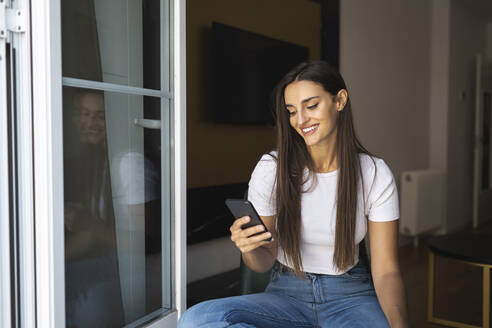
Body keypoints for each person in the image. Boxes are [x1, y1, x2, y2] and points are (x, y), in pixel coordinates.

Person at [178, 61, 409, 328]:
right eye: (291, 111)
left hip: (351, 295)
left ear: (340, 100)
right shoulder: (271, 169)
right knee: (197, 320)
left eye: (311, 106)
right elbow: (262, 262)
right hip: (287, 293)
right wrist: (249, 248)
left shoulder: (374, 173)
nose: (300, 120)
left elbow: (387, 271)